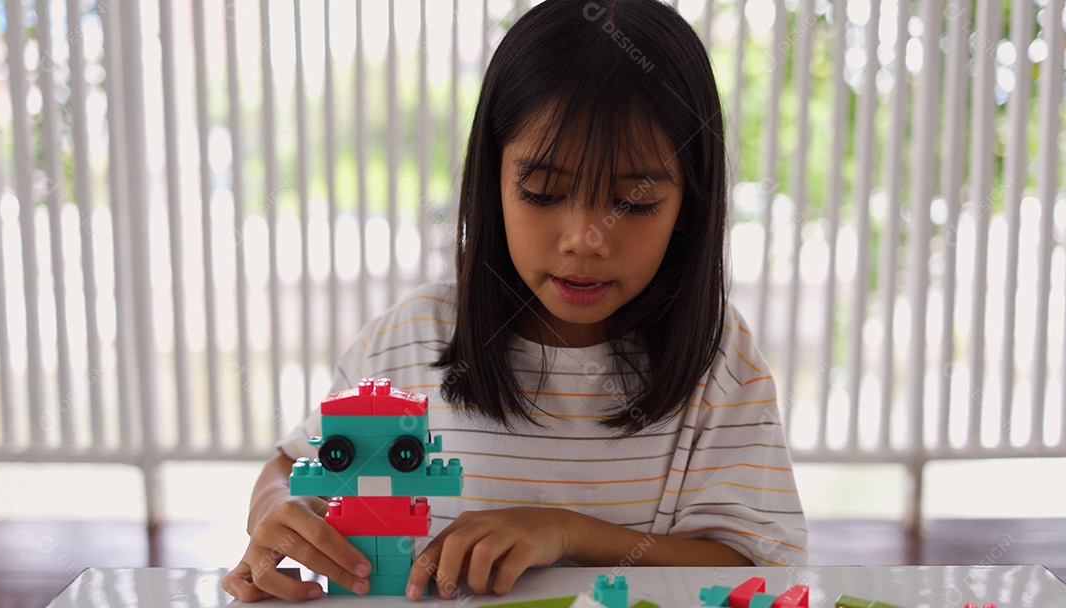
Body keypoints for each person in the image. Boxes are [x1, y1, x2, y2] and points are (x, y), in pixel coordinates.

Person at [222, 0, 807, 602]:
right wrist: (278, 512)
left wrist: (566, 532)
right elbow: (291, 466)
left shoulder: (717, 356)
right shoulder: (411, 340)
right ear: (493, 182)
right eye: (542, 191)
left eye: (633, 201)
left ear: (688, 206)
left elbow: (762, 565)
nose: (584, 239)